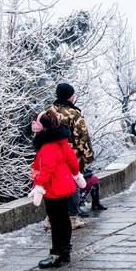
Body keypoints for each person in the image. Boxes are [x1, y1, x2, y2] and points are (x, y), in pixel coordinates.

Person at [29, 109, 83, 269]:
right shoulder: (61, 142)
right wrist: (77, 175)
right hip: (65, 184)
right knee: (64, 219)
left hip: (54, 188)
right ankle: (65, 250)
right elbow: (72, 159)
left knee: (56, 220)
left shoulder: (47, 147)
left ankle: (57, 253)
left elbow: (46, 170)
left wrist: (39, 186)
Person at [49, 83, 94, 227]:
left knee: (54, 186)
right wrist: (88, 157)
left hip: (52, 156)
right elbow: (82, 138)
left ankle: (50, 218)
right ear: (70, 96)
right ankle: (72, 218)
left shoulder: (48, 111)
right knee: (73, 186)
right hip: (71, 157)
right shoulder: (74, 114)